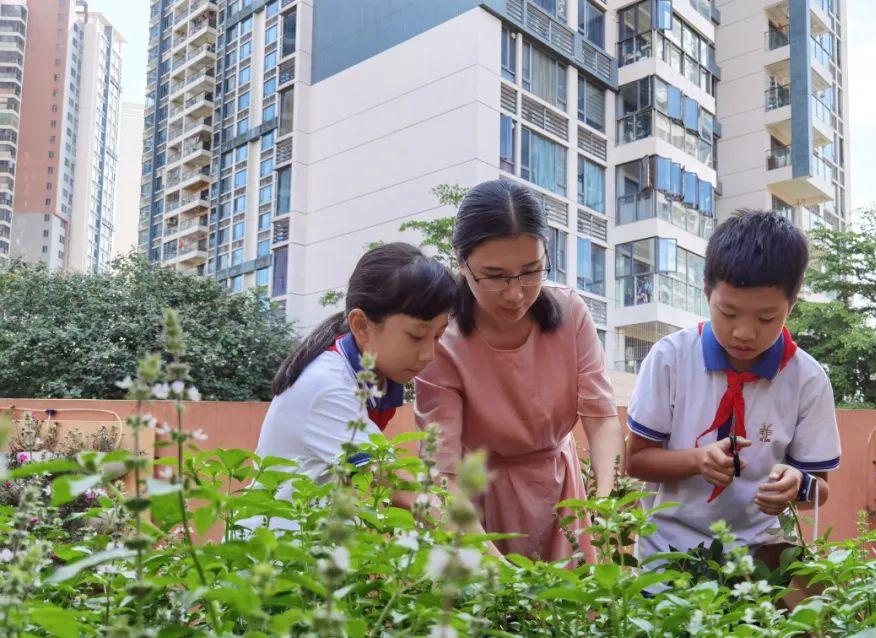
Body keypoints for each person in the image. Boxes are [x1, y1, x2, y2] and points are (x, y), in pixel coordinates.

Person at [624, 209, 841, 581]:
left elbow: (818, 489)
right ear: (707, 291)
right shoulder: (670, 359)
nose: (744, 332)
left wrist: (796, 485)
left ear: (792, 304)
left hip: (761, 562)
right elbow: (637, 461)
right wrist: (696, 461)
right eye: (728, 312)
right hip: (669, 558)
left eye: (766, 318)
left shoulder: (807, 379)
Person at [414, 179, 622, 562]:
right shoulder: (442, 341)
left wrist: (605, 502)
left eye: (531, 271)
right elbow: (443, 471)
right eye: (494, 276)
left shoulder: (570, 313)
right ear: (461, 261)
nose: (516, 293)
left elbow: (601, 416)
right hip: (478, 503)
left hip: (561, 489)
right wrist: (494, 565)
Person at [255, 242, 456, 507]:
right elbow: (407, 493)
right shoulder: (328, 387)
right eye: (416, 336)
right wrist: (486, 548)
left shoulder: (373, 376)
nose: (429, 354)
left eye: (439, 335)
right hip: (269, 543)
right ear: (361, 326)